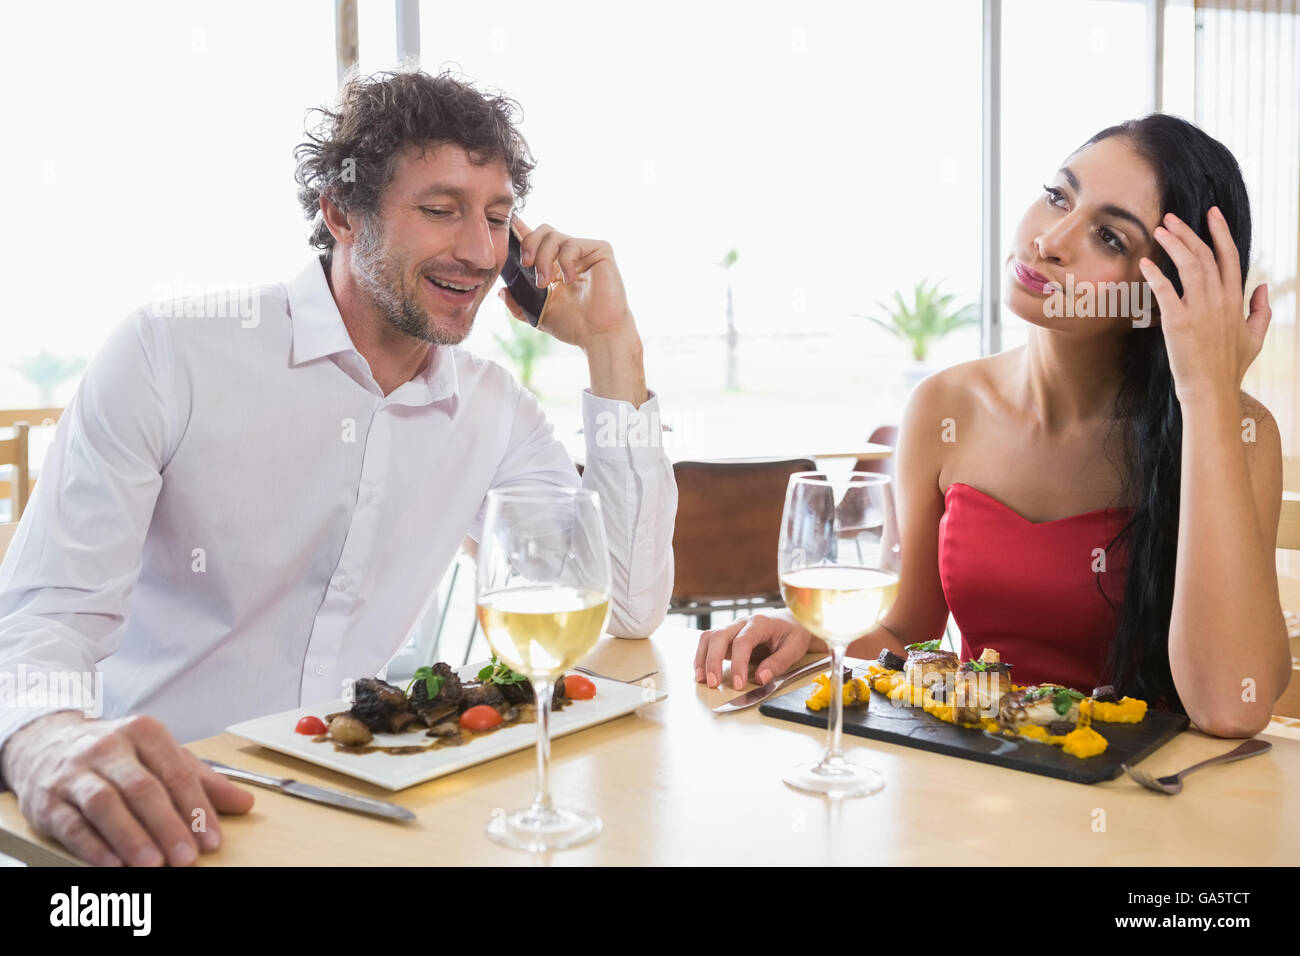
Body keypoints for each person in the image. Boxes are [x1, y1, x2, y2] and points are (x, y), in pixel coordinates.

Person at [0, 69, 677, 866]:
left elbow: (627, 604)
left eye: (498, 219)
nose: (480, 251)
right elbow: (48, 617)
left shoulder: (495, 409)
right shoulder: (169, 354)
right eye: (440, 209)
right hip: (156, 809)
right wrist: (44, 739)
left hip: (358, 811)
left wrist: (612, 343)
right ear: (341, 212)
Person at [696, 114, 1290, 738]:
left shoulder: (1234, 431)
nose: (1051, 240)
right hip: (972, 787)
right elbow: (908, 633)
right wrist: (815, 638)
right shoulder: (943, 407)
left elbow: (1230, 706)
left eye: (1110, 237)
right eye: (1058, 196)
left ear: (1167, 289)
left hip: (1139, 806)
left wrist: (1205, 393)